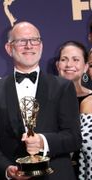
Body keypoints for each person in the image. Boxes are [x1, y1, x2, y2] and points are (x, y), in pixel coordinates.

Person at [0, 21, 82, 180]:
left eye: (34, 40)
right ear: (9, 48)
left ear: (41, 45)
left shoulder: (63, 87)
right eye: (21, 41)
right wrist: (7, 169)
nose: (29, 46)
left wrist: (43, 141)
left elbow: (74, 138)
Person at [55, 40, 92, 180]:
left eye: (76, 60)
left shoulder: (91, 100)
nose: (69, 64)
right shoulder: (44, 100)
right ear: (58, 65)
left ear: (85, 67)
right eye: (64, 59)